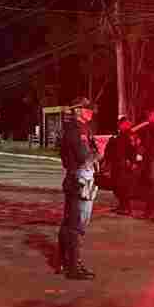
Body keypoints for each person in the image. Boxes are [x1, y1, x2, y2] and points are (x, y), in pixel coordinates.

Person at [58, 97, 100, 280]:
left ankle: (64, 261)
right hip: (80, 178)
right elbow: (85, 157)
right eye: (87, 109)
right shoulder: (76, 130)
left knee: (69, 222)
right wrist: (98, 154)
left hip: (76, 177)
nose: (91, 112)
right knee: (77, 224)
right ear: (77, 110)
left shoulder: (78, 128)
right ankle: (73, 266)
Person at [106, 117, 140, 215]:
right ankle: (121, 206)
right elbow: (110, 148)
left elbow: (134, 149)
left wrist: (133, 162)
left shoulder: (131, 135)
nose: (125, 126)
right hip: (116, 164)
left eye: (127, 124)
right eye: (122, 124)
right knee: (116, 186)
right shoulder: (117, 135)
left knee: (123, 186)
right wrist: (107, 159)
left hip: (125, 164)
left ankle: (126, 208)